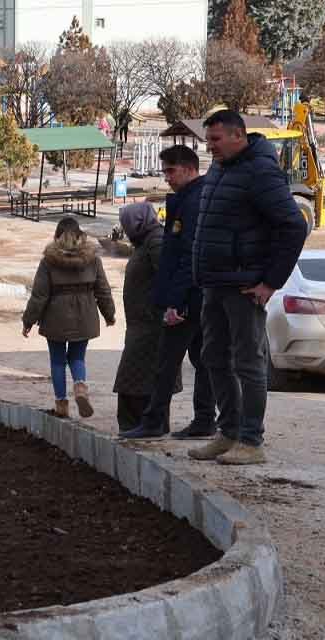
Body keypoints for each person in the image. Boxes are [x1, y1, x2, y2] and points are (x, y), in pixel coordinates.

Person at [189, 110, 309, 465]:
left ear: (238, 135)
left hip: (243, 287)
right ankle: (227, 433)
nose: (210, 147)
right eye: (207, 140)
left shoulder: (260, 171)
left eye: (215, 140)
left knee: (249, 364)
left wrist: (270, 282)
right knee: (213, 358)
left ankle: (251, 441)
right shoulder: (220, 168)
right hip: (214, 283)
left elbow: (293, 226)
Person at [122, 145, 217, 440]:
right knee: (204, 362)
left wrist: (176, 302)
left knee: (166, 363)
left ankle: (154, 422)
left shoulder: (194, 201)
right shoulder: (189, 198)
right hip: (195, 297)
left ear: (189, 169)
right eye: (164, 171)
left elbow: (188, 256)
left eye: (170, 171)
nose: (167, 178)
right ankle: (204, 420)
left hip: (188, 300)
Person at [22, 217, 117, 419]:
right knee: (77, 357)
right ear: (80, 235)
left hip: (56, 317)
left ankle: (61, 405)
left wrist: (28, 321)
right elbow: (103, 290)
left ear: (56, 236)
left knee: (57, 361)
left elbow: (39, 295)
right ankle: (80, 387)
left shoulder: (48, 261)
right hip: (85, 316)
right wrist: (109, 315)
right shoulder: (93, 259)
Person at [113, 201, 178, 433]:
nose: (125, 229)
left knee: (138, 378)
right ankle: (143, 425)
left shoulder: (156, 240)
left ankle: (146, 425)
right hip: (142, 324)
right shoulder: (146, 241)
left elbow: (167, 276)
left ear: (137, 222)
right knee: (138, 378)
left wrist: (162, 309)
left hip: (151, 325)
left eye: (127, 224)